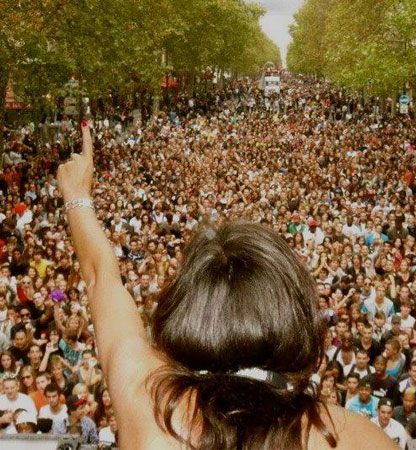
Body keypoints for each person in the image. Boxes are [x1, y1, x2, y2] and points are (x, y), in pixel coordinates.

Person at [55, 123, 397, 449]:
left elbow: (101, 277)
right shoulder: (355, 438)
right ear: (296, 316)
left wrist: (76, 194)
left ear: (185, 312)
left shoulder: (147, 406)